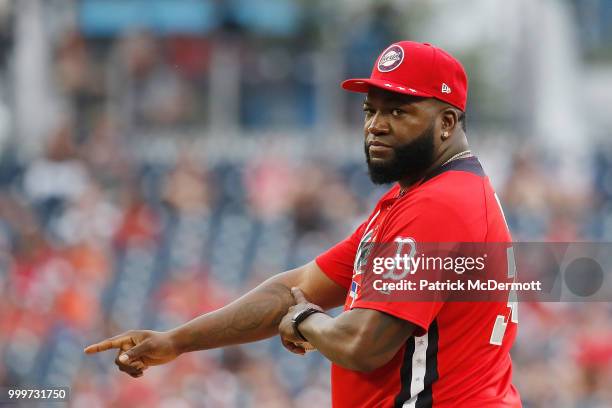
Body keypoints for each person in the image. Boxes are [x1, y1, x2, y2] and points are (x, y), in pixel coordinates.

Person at [85, 41, 521, 407]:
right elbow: (298, 286)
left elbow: (361, 345)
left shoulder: (440, 204)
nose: (375, 126)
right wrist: (177, 341)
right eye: (371, 110)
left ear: (447, 122)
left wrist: (305, 321)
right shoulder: (418, 195)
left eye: (399, 111)